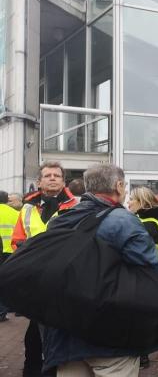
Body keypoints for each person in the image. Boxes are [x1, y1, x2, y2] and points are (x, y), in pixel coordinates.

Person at [41, 163, 158, 375]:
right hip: (111, 336)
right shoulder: (124, 221)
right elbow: (152, 273)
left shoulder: (60, 219)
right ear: (119, 185)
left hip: (66, 335)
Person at [12, 161, 78, 377]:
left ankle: (54, 368)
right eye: (47, 175)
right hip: (35, 279)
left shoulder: (75, 206)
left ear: (63, 181)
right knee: (35, 332)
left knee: (58, 329)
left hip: (64, 279)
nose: (52, 178)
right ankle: (36, 369)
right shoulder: (28, 207)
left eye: (56, 175)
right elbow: (17, 240)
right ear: (39, 181)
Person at [127, 186, 158, 368]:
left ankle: (141, 354)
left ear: (141, 203)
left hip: (145, 273)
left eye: (132, 200)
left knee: (139, 316)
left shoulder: (147, 223)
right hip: (150, 272)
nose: (128, 203)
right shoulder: (150, 220)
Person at [0, 190, 20, 322]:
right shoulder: (16, 213)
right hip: (12, 251)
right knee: (7, 281)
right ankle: (4, 310)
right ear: (7, 200)